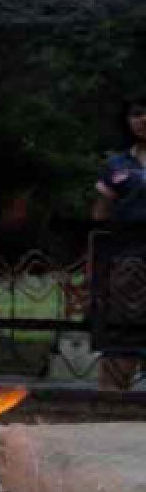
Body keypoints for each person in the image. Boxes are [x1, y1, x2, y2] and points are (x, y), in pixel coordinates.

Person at [92, 95, 146, 389]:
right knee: (124, 324)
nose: (143, 120)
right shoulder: (116, 164)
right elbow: (101, 212)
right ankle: (112, 402)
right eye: (137, 114)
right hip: (127, 258)